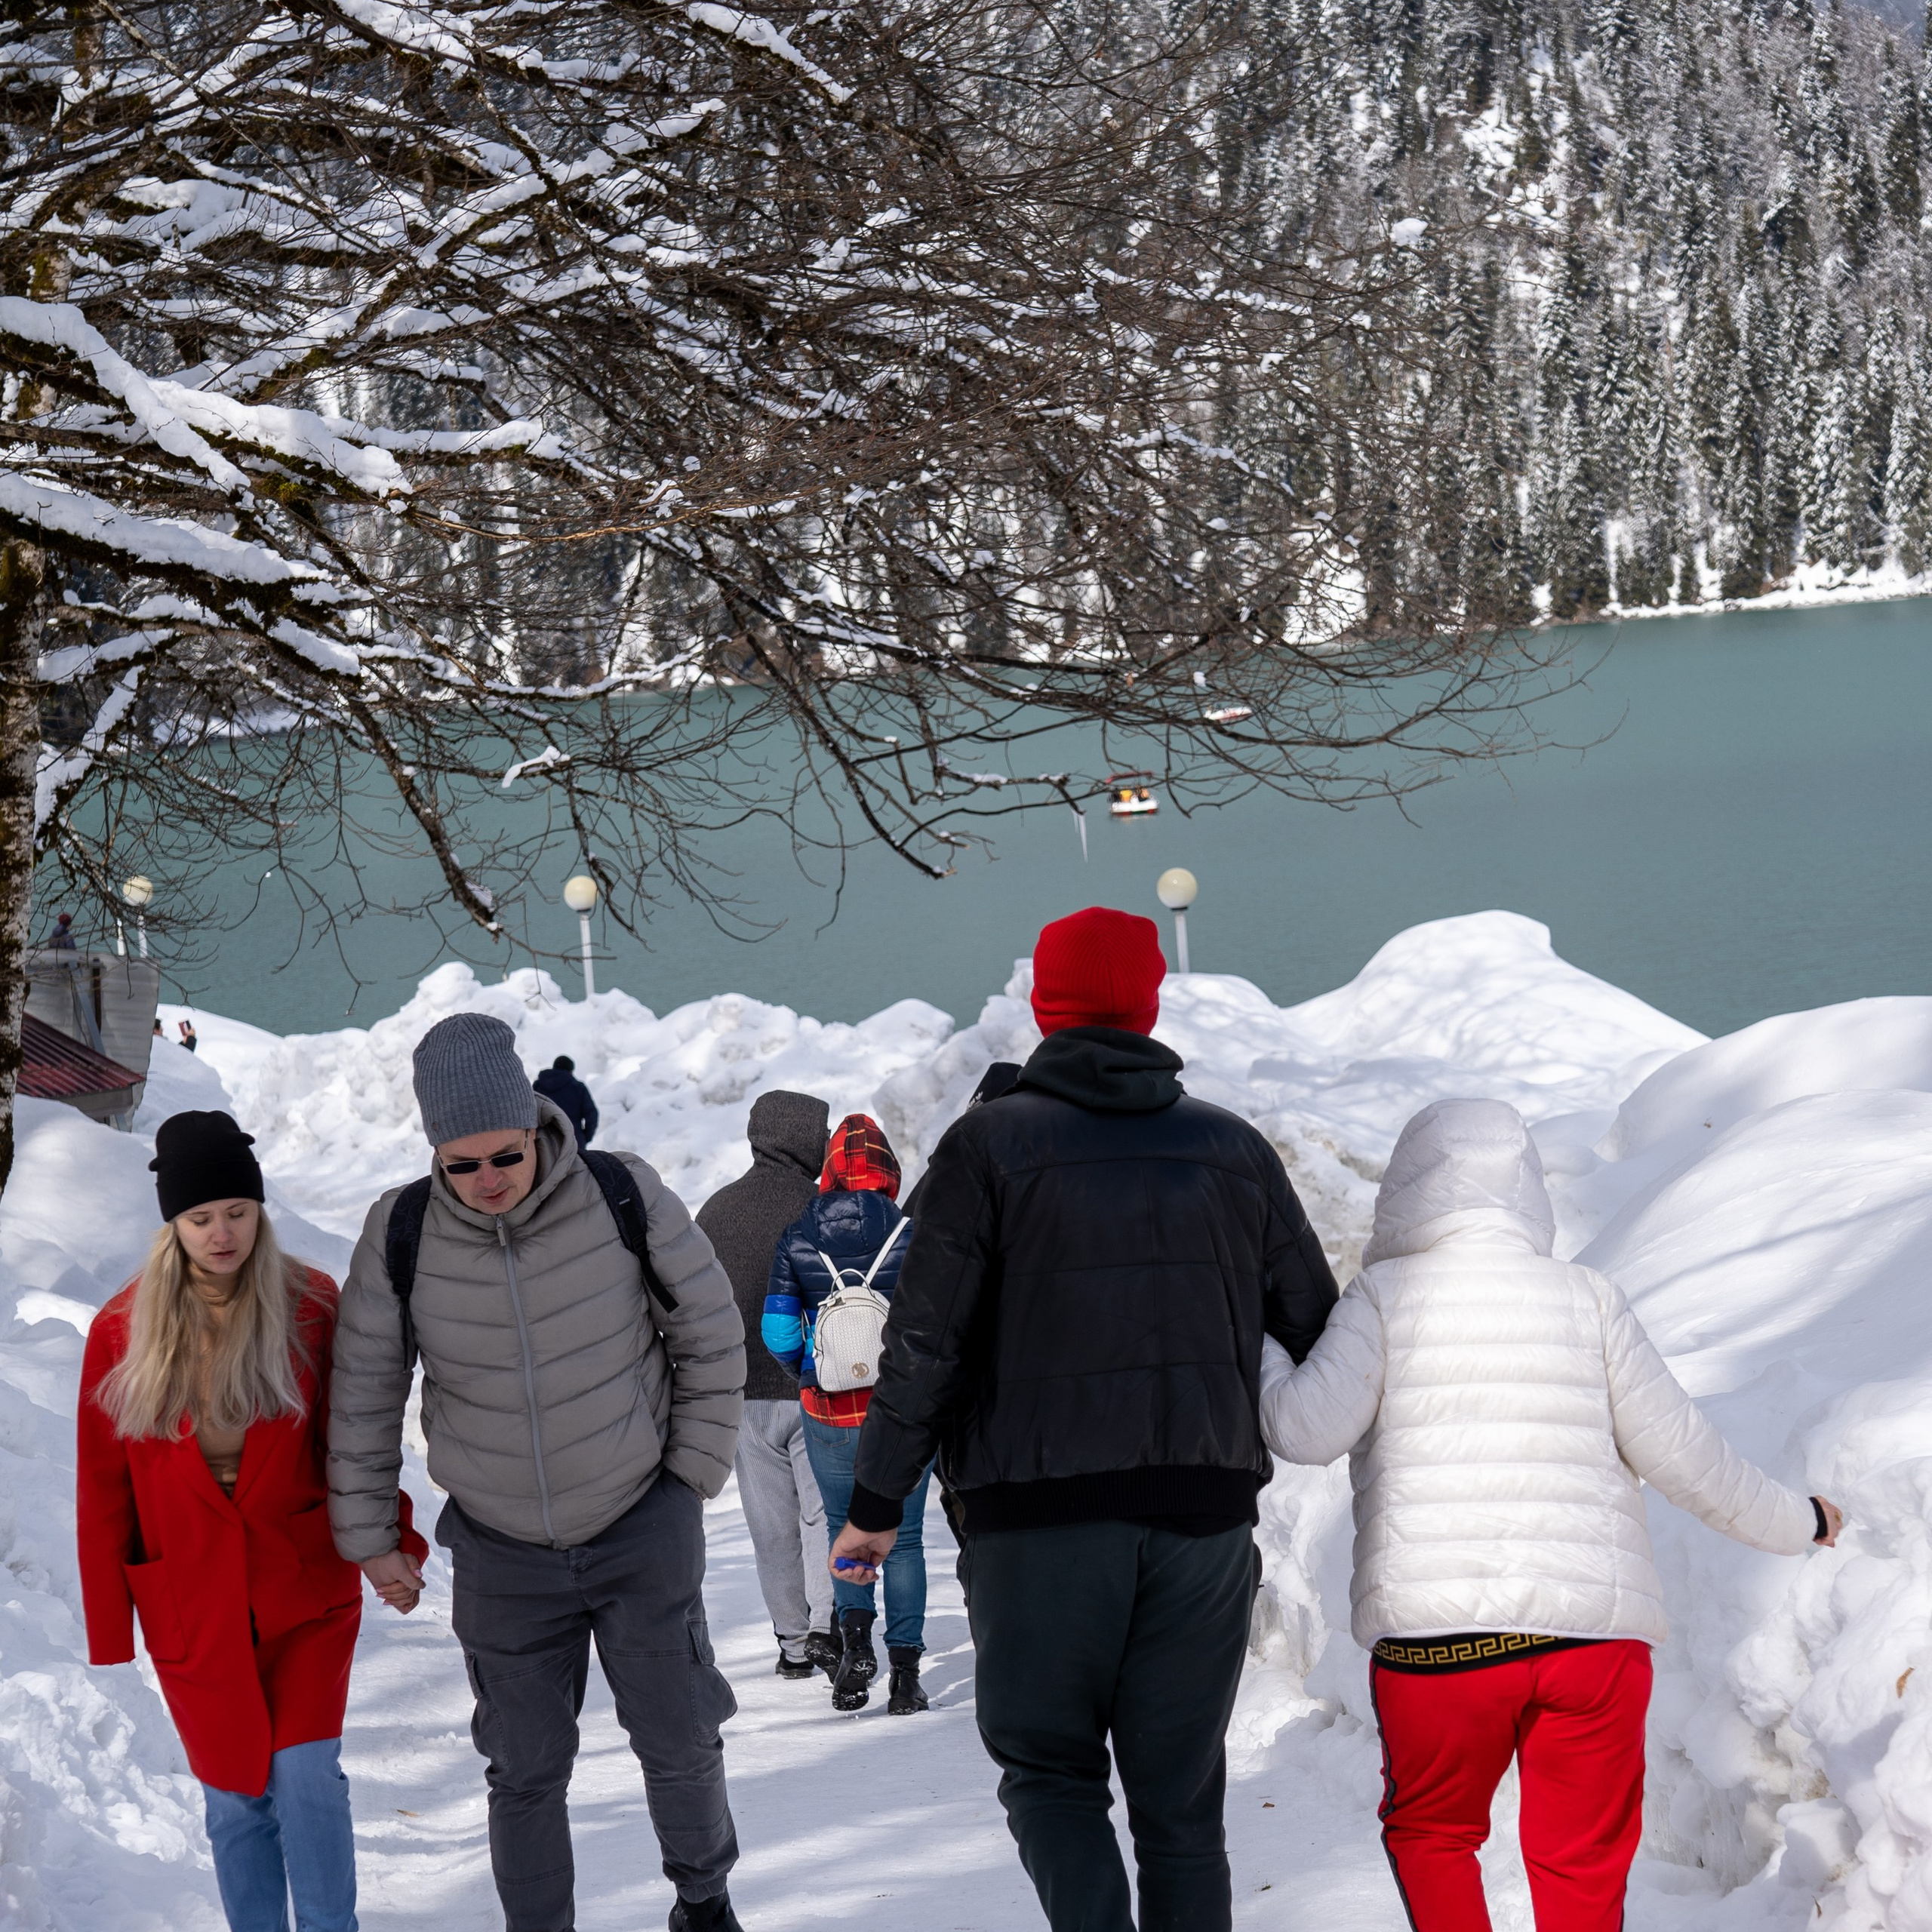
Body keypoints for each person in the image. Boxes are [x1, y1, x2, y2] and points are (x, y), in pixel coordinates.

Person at [830, 906, 1340, 1932]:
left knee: (1052, 1776)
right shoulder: (1232, 1151)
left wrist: (877, 1500)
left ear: (1045, 1008)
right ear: (1150, 1004)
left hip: (1036, 1523)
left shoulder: (986, 1149)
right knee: (1182, 1805)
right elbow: (1317, 1321)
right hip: (1203, 1521)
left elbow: (924, 1347)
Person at [1255, 1097, 1844, 1932]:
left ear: (1409, 1190)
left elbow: (1304, 1431)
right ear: (1526, 1190)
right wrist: (1799, 1521)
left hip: (1438, 1649)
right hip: (1590, 1649)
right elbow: (1690, 1460)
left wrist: (1258, 1345)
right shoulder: (1587, 1300)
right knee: (1580, 1866)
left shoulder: (1384, 1297)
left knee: (1432, 1835)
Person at [327, 1013, 749, 1932]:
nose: (486, 1181)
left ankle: (705, 1903)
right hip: (501, 1549)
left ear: (533, 1127)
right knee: (523, 1769)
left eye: (503, 1157)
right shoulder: (400, 1230)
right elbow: (362, 1391)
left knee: (678, 1739)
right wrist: (368, 1536)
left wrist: (687, 1482)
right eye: (461, 1165)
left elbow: (711, 1335)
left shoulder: (621, 1193)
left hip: (640, 1522)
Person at [77, 1110, 428, 1932]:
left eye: (238, 1211)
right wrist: (109, 1625)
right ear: (173, 1222)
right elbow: (103, 1489)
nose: (222, 1231)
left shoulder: (310, 1303)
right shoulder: (120, 1331)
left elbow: (356, 1435)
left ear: (259, 1210)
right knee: (236, 1798)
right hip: (191, 1604)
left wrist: (391, 1543)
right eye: (201, 1217)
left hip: (302, 1585)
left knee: (305, 1775)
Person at [764, 1112, 928, 1714]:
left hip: (828, 1411)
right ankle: (906, 1675)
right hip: (901, 1411)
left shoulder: (798, 1233)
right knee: (904, 1540)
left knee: (842, 1528)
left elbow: (778, 1327)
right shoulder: (912, 1230)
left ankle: (855, 1646)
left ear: (830, 1171)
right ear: (888, 1170)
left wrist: (809, 1373)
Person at [693, 1090, 836, 1681]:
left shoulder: (717, 1210)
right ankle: (830, 1628)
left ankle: (795, 1643)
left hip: (743, 1392)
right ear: (808, 1141)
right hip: (814, 1386)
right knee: (823, 1515)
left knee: (771, 1525)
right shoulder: (823, 1208)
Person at [533, 1053, 595, 1147]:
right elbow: (592, 1115)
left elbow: (530, 1111)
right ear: (571, 1071)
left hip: (544, 1143)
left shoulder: (538, 1086)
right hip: (573, 1141)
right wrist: (585, 1137)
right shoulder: (578, 1088)